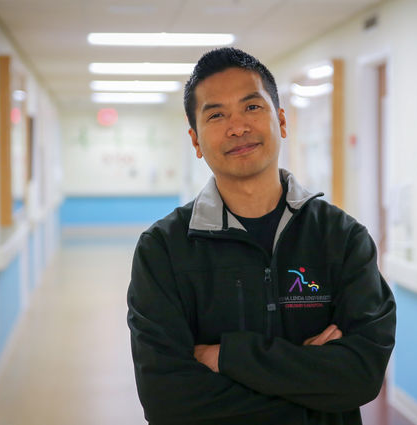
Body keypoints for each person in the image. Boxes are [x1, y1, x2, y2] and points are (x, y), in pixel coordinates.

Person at [127, 47, 396, 425]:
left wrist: (226, 358)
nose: (237, 127)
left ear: (281, 121)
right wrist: (312, 387)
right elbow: (168, 402)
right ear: (195, 140)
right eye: (217, 115)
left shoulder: (342, 237)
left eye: (252, 107)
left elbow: (361, 375)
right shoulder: (163, 250)